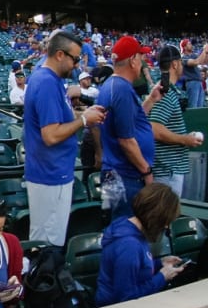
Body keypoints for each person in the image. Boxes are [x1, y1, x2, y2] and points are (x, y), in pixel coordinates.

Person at [24, 30, 107, 245]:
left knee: (48, 239)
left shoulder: (49, 78)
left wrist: (84, 115)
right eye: (75, 58)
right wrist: (84, 121)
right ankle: (44, 279)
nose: (77, 65)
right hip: (50, 173)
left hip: (51, 171)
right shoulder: (47, 82)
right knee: (47, 244)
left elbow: (58, 121)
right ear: (60, 55)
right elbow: (50, 135)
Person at [95, 35, 160, 220]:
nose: (143, 62)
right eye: (140, 57)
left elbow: (133, 122)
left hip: (117, 175)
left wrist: (152, 99)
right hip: (125, 176)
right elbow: (126, 140)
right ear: (132, 60)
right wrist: (146, 171)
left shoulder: (113, 85)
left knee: (119, 227)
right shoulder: (121, 89)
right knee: (126, 228)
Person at [95, 182, 187, 307]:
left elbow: (135, 269)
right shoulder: (129, 246)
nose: (166, 226)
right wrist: (162, 277)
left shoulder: (130, 227)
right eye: (165, 221)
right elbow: (127, 298)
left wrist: (160, 263)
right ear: (155, 217)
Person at [149, 46, 202, 197]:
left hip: (167, 170)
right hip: (166, 171)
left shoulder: (163, 89)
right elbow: (155, 129)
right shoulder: (165, 92)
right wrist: (185, 139)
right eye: (180, 62)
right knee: (164, 218)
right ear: (175, 64)